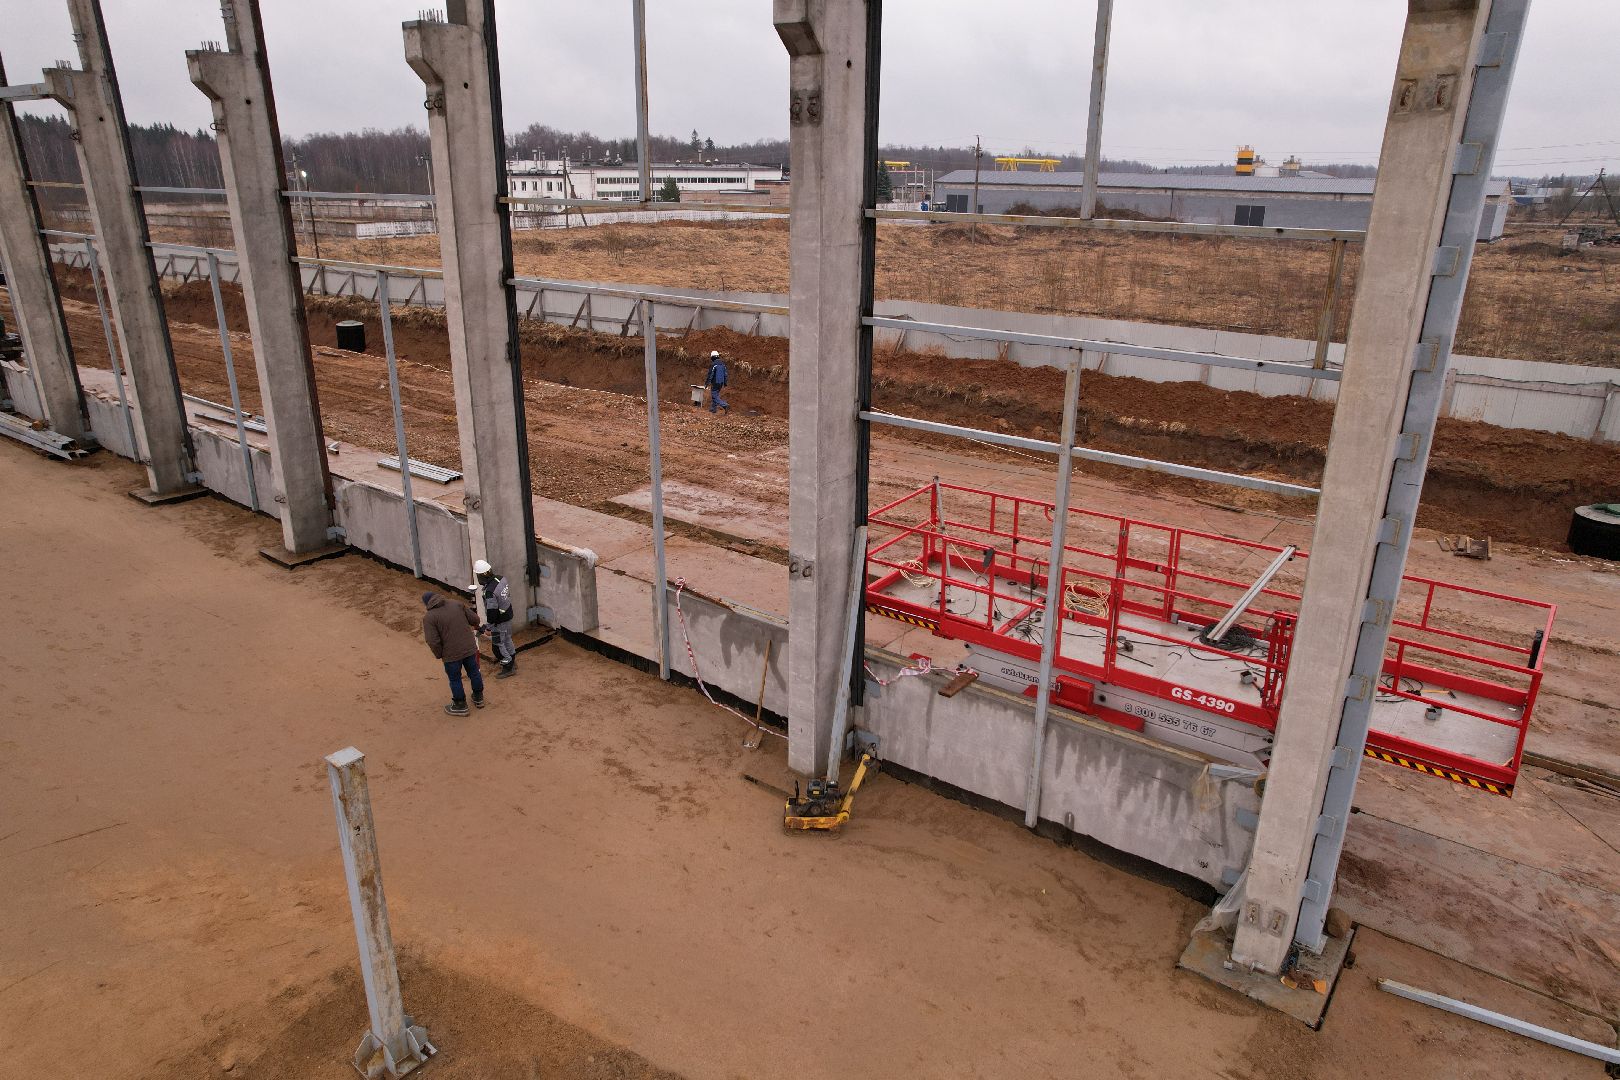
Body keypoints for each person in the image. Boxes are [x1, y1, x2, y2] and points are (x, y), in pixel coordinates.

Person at [422, 590, 484, 715]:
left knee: (455, 678)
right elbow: (475, 619)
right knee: (474, 672)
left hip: (451, 654)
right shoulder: (456, 603)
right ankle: (478, 697)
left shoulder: (429, 617)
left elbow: (432, 641)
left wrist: (439, 654)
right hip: (469, 647)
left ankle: (460, 704)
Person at [474, 558, 517, 679]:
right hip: (508, 615)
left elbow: (492, 612)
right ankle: (512, 661)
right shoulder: (501, 579)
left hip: (499, 621)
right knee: (507, 639)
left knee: (498, 646)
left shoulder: (489, 591)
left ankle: (508, 666)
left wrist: (488, 627)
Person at [704, 349, 729, 414]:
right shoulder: (723, 364)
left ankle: (724, 405)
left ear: (713, 357)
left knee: (714, 395)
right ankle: (713, 409)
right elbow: (725, 374)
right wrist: (725, 383)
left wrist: (706, 384)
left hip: (715, 382)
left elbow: (710, 375)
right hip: (721, 383)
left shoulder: (714, 364)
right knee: (716, 394)